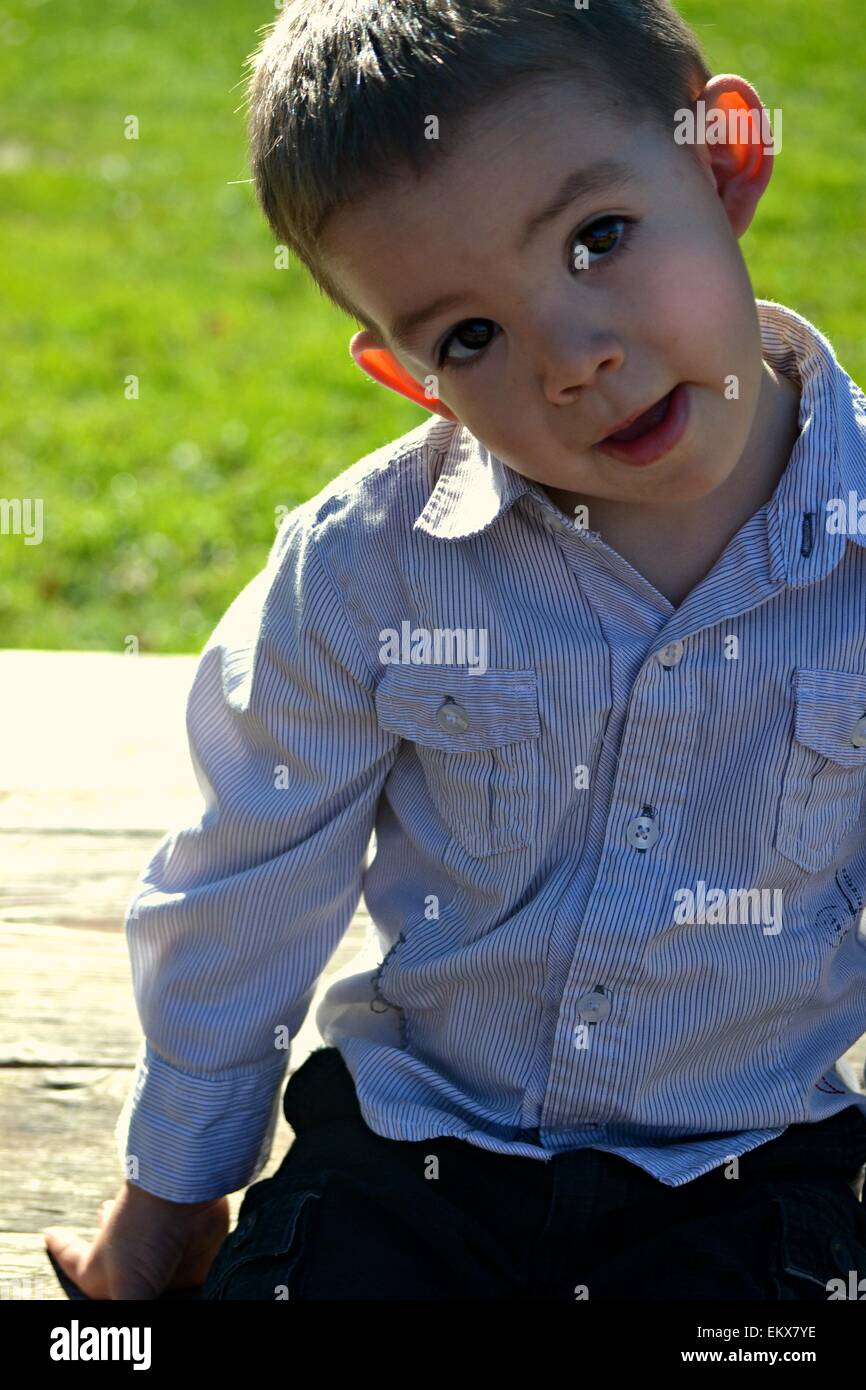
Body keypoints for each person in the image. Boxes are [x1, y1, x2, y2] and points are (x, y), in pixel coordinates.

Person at [45, 0, 866, 1300]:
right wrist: (164, 1211)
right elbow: (245, 888)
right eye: (468, 337)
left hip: (741, 1168)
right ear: (409, 376)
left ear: (720, 160)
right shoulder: (369, 564)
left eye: (598, 239)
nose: (569, 357)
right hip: (414, 1152)